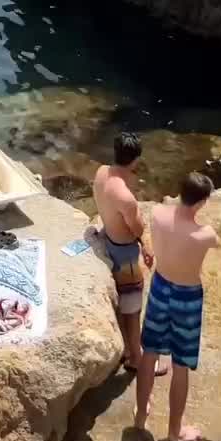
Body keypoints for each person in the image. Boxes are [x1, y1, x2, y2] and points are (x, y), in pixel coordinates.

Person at [134, 173, 219, 441]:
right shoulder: (205, 234)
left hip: (160, 286)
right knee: (180, 365)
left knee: (150, 352)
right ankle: (174, 432)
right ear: (202, 202)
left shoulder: (157, 213)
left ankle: (140, 415)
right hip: (187, 297)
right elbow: (217, 241)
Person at [93, 131, 152, 369]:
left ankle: (127, 349)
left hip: (108, 238)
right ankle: (135, 358)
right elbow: (137, 228)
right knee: (133, 309)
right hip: (125, 252)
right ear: (136, 160)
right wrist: (148, 245)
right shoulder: (126, 197)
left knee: (123, 306)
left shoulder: (100, 172)